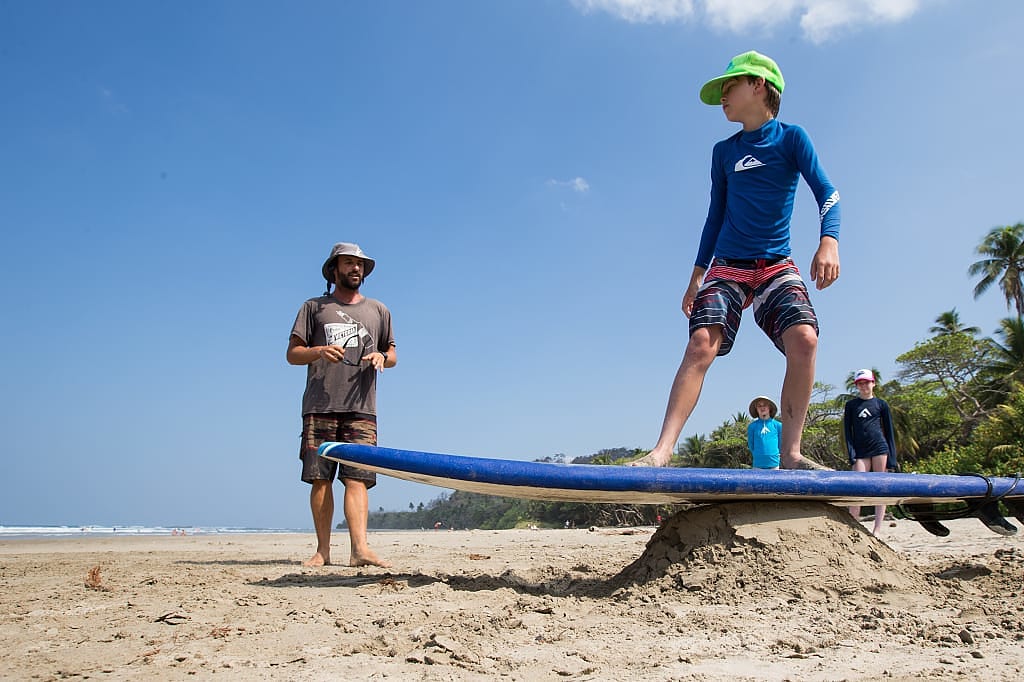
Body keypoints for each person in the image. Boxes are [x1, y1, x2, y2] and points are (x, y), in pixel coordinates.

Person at [630, 50, 839, 470]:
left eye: (729, 87)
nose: (723, 97)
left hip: (776, 264)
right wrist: (696, 277)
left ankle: (793, 453)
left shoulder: (792, 138)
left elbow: (827, 193)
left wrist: (828, 242)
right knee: (701, 342)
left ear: (758, 85)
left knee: (805, 340)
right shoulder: (723, 152)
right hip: (727, 264)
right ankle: (662, 451)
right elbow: (714, 215)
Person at [287, 242, 396, 567]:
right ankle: (322, 551)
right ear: (334, 269)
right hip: (320, 404)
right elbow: (293, 354)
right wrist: (319, 351)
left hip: (362, 406)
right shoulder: (313, 307)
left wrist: (381, 356)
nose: (356, 269)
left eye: (359, 264)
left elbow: (392, 355)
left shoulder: (379, 310)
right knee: (320, 478)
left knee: (357, 477)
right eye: (349, 263)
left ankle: (360, 549)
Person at [843, 369, 896, 535]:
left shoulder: (881, 404)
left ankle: (877, 529)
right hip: (860, 451)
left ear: (873, 383)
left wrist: (892, 459)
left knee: (881, 487)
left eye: (866, 382)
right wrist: (851, 454)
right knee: (857, 486)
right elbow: (847, 432)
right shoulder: (851, 405)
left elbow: (889, 431)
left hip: (879, 448)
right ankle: (854, 526)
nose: (864, 386)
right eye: (860, 383)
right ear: (857, 385)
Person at [747, 396, 782, 470]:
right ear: (756, 409)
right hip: (758, 465)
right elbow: (751, 445)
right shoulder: (752, 426)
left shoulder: (778, 425)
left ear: (769, 408)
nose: (762, 408)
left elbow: (780, 443)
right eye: (759, 406)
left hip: (774, 464)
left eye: (765, 405)